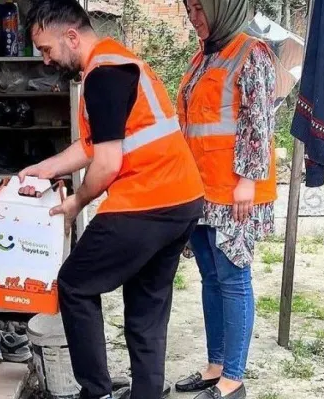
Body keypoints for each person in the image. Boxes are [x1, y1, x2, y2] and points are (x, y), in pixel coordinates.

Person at [20, 0, 205, 397]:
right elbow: (93, 144)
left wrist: (76, 203)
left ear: (71, 36)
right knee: (146, 308)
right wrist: (48, 167)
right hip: (182, 199)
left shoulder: (102, 76)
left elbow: (104, 165)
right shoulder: (118, 63)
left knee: (74, 283)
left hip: (146, 201)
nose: (48, 62)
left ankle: (95, 391)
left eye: (47, 50)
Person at [173, 0, 278, 398]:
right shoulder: (203, 57)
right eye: (190, 9)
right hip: (200, 191)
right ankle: (215, 366)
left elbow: (258, 123)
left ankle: (233, 379)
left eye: (201, 9)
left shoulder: (252, 54)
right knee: (210, 279)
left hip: (236, 193)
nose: (194, 18)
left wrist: (247, 182)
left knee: (233, 280)